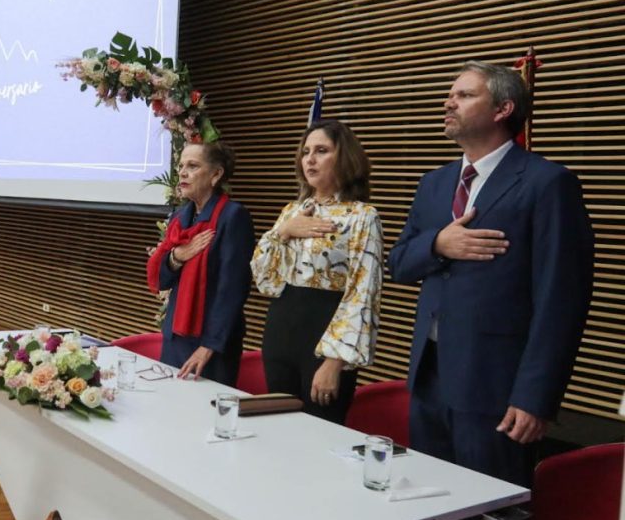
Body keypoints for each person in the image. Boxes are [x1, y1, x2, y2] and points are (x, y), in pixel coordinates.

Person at [388, 61, 593, 487]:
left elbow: (562, 300)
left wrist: (536, 397)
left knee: (490, 508)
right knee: (430, 504)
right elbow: (400, 263)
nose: (449, 101)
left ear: (503, 109)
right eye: (451, 94)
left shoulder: (547, 183)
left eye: (464, 95)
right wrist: (438, 245)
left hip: (497, 387)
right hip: (429, 378)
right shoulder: (434, 183)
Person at [250, 119, 383, 424]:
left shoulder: (363, 216)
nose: (309, 159)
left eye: (321, 150)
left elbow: (364, 293)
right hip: (281, 329)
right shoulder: (292, 212)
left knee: (319, 433)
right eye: (306, 151)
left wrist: (335, 361)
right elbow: (264, 278)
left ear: (344, 157)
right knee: (280, 427)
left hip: (326, 336)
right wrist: (282, 232)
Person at [146, 141, 255, 386]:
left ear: (216, 174)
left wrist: (209, 346)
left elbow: (233, 289)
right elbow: (162, 279)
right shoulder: (180, 217)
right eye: (181, 165)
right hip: (176, 334)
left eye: (193, 166)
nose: (183, 172)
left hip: (212, 341)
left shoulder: (232, 216)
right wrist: (177, 257)